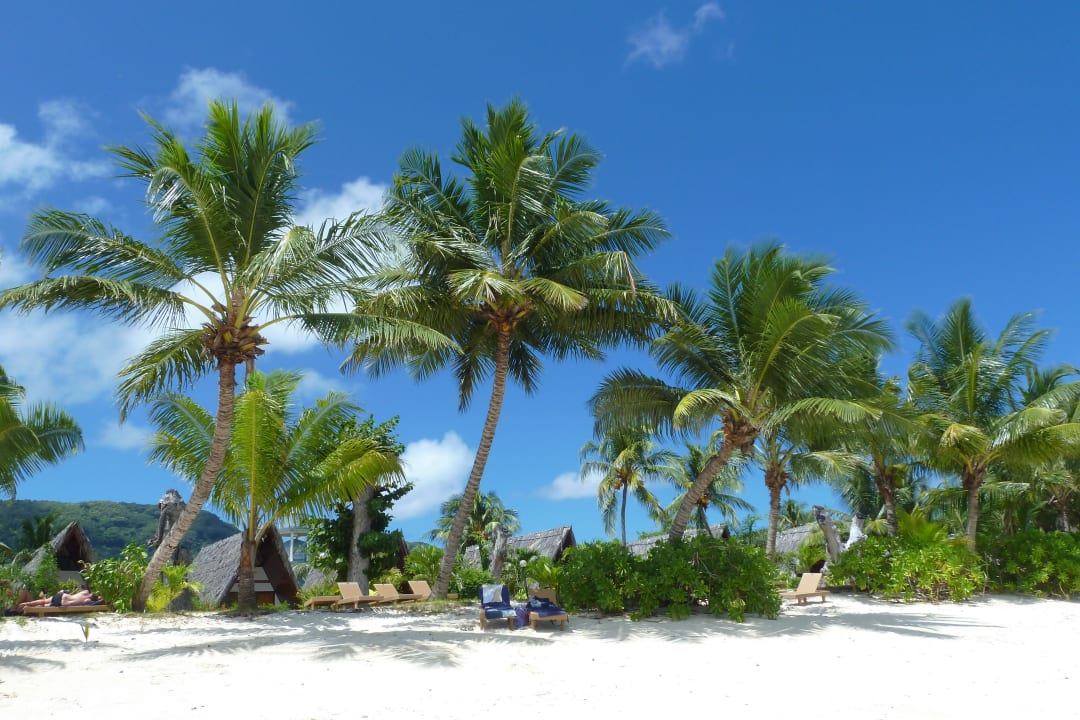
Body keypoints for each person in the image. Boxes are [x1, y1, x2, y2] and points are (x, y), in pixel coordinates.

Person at [15, 588, 102, 610]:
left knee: (44, 601)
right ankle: (27, 607)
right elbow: (87, 602)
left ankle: (26, 604)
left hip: (63, 595)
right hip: (64, 603)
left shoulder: (86, 591)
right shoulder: (88, 600)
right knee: (45, 605)